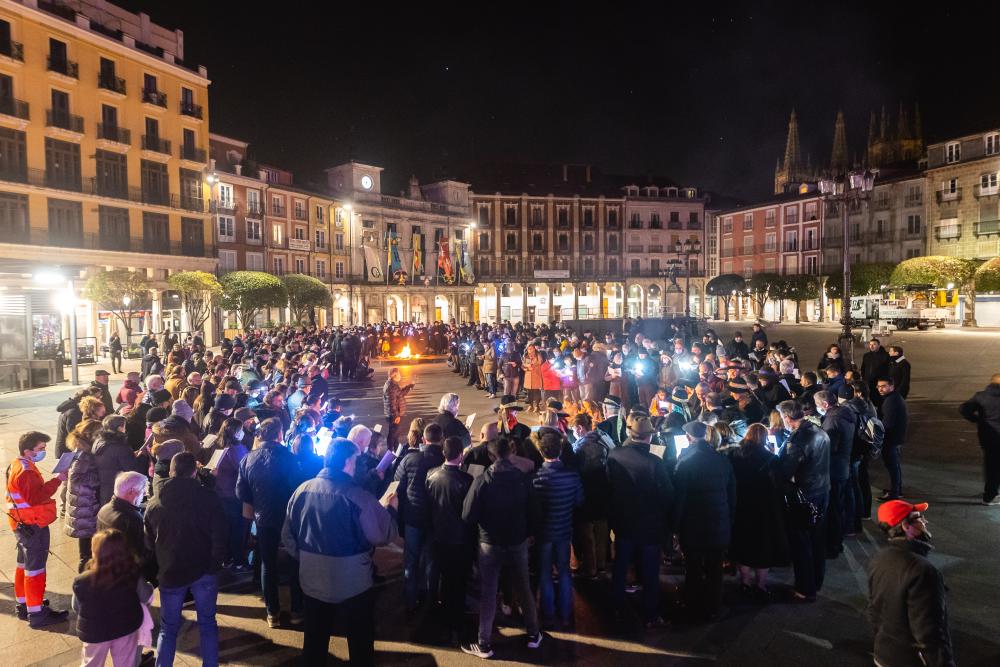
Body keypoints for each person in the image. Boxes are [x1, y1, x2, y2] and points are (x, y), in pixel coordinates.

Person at [283, 438, 399, 666]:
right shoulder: (358, 497)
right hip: (353, 583)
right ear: (348, 462)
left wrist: (307, 558)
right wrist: (391, 511)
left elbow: (288, 536)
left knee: (315, 640)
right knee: (360, 640)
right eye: (355, 460)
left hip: (312, 580)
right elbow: (382, 535)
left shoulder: (301, 491)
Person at [461, 435, 542, 659]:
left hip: (489, 543)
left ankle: (484, 643)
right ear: (511, 452)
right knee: (523, 587)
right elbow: (534, 511)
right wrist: (529, 533)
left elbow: (467, 515)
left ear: (490, 456)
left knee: (488, 592)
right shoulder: (522, 479)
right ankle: (533, 633)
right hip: (517, 542)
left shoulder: (482, 481)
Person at [144, 452, 226, 667]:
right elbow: (220, 536)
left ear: (171, 472)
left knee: (168, 629)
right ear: (194, 472)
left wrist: (159, 568)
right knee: (207, 624)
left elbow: (149, 544)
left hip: (171, 572)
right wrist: (214, 565)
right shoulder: (209, 498)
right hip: (204, 571)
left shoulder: (155, 503)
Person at [868, 500, 955, 667]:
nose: (924, 521)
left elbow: (873, 610)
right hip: (910, 660)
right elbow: (929, 633)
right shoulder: (923, 571)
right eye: (918, 517)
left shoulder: (878, 559)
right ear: (906, 526)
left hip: (883, 654)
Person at [607, 412, 673, 628]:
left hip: (623, 523)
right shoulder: (655, 462)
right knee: (650, 571)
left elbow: (610, 486)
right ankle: (650, 614)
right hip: (649, 526)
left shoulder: (615, 454)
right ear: (649, 436)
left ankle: (616, 608)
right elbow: (667, 495)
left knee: (620, 567)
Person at [236, 417, 301, 627]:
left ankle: (272, 612)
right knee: (294, 560)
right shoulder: (289, 458)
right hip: (288, 516)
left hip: (263, 517)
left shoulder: (248, 459)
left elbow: (241, 492)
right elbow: (297, 486)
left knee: (268, 563)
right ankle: (297, 610)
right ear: (279, 434)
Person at [674, 421, 736, 622]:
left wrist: (675, 527)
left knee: (693, 568)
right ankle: (714, 607)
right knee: (715, 569)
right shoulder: (722, 460)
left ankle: (692, 604)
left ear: (688, 437)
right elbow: (732, 495)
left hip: (693, 527)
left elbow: (680, 499)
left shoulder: (685, 462)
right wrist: (729, 520)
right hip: (719, 524)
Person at [7, 431, 70, 627]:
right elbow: (35, 497)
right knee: (35, 569)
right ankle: (37, 613)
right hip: (33, 525)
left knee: (23, 565)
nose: (44, 451)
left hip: (21, 523)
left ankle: (24, 604)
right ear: (28, 451)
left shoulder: (16, 464)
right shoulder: (26, 472)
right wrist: (58, 479)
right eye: (40, 448)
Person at [775, 400, 831, 602]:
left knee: (801, 543)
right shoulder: (818, 431)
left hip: (803, 497)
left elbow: (784, 471)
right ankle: (816, 581)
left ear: (787, 417)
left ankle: (805, 589)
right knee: (817, 540)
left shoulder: (798, 440)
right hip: (822, 490)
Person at [72, 528, 153, 667]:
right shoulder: (132, 573)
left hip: (95, 632)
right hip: (126, 627)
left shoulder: (82, 581)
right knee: (126, 663)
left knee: (91, 663)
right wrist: (150, 586)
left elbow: (76, 607)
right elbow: (145, 596)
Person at [530, 428, 584, 629]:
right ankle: (566, 613)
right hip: (564, 530)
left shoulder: (536, 478)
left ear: (541, 451)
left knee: (544, 572)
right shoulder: (572, 476)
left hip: (544, 533)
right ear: (560, 450)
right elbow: (580, 501)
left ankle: (548, 613)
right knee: (564, 571)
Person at [726, 423, 787, 600]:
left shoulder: (734, 455)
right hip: (764, 509)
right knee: (762, 547)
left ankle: (745, 582)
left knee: (742, 544)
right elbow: (778, 485)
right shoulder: (771, 459)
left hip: (742, 506)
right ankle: (760, 585)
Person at [425, 436, 475, 644]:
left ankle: (444, 615)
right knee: (459, 581)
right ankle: (456, 620)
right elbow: (469, 513)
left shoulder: (431, 475)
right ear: (461, 455)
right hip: (460, 538)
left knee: (444, 578)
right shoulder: (466, 480)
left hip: (438, 535)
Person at [394, 422, 445, 611]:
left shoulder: (410, 459)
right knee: (431, 561)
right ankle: (430, 601)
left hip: (413, 517)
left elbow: (397, 483)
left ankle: (410, 600)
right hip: (434, 519)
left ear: (424, 439)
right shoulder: (444, 459)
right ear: (441, 439)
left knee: (411, 560)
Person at [569, 413, 612, 579]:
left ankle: (590, 569)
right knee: (601, 532)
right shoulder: (603, 440)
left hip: (586, 495)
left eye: (574, 429)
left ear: (580, 428)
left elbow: (575, 472)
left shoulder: (579, 448)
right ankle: (601, 566)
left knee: (587, 536)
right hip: (603, 494)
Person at [815, 389, 856, 558]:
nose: (816, 407)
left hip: (834, 470)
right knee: (837, 507)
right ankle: (836, 542)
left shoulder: (833, 420)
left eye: (817, 404)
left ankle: (832, 546)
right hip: (842, 467)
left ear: (825, 404)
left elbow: (830, 447)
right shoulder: (844, 413)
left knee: (832, 510)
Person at [97, 471, 154, 580]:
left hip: (107, 568)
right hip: (127, 576)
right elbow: (141, 555)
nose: (144, 494)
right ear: (131, 492)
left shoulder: (104, 509)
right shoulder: (131, 519)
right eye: (143, 490)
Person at [65, 416, 104, 572]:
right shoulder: (84, 455)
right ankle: (84, 576)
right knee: (86, 551)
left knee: (87, 542)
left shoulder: (83, 451)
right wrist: (99, 477)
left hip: (84, 503)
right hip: (85, 505)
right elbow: (77, 478)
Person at [959, 373, 1000, 505]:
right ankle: (991, 495)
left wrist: (978, 420)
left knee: (991, 465)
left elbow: (964, 409)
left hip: (987, 436)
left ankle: (990, 493)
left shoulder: (981, 396)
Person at [93, 414, 146, 507]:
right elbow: (133, 469)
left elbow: (111, 459)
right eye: (124, 426)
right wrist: (141, 457)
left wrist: (130, 455)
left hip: (104, 487)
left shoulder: (98, 441)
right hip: (119, 489)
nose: (125, 429)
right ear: (120, 428)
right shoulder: (120, 446)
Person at [877, 377, 908, 501]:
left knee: (892, 466)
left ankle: (894, 493)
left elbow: (888, 423)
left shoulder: (891, 401)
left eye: (883, 386)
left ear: (892, 386)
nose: (880, 389)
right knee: (894, 465)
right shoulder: (894, 398)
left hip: (891, 439)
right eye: (878, 386)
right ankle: (896, 490)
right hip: (895, 438)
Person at [383, 368, 414, 453]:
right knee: (393, 434)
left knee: (395, 435)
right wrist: (396, 416)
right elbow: (391, 403)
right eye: (399, 374)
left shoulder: (393, 384)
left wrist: (409, 387)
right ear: (394, 376)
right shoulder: (391, 386)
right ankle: (390, 452)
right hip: (394, 415)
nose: (400, 376)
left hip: (395, 414)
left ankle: (395, 451)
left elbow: (400, 394)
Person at [862, 339, 892, 405]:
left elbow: (889, 369)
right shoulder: (866, 355)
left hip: (879, 383)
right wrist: (864, 379)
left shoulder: (885, 356)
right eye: (870, 344)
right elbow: (863, 368)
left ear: (879, 345)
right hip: (868, 382)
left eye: (874, 344)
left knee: (880, 401)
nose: (871, 346)